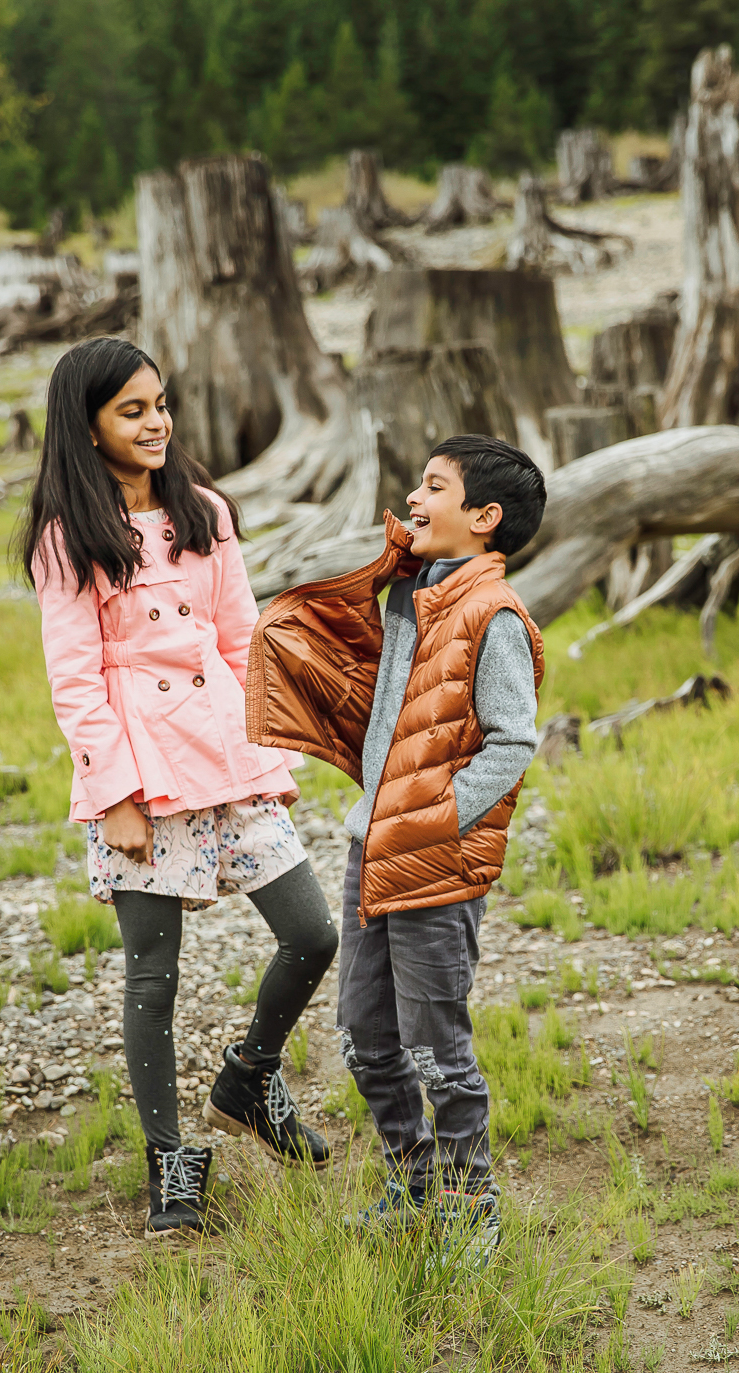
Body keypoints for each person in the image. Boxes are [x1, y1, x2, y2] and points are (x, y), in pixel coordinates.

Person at [20, 336, 339, 1238]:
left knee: (313, 932)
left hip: (227, 751)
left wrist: (273, 749)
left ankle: (248, 1078)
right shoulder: (65, 537)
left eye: (161, 404)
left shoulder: (205, 510)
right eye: (133, 410)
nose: (156, 422)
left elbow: (242, 641)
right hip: (143, 772)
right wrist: (113, 794)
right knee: (153, 976)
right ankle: (171, 1158)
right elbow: (75, 679)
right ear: (86, 428)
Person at [247, 434, 545, 1266]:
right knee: (363, 1037)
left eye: (434, 486)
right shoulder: (411, 595)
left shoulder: (495, 616)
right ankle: (412, 1186)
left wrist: (437, 816)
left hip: (436, 861)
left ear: (484, 518)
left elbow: (514, 741)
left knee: (433, 1044)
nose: (414, 496)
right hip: (370, 846)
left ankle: (470, 1204)